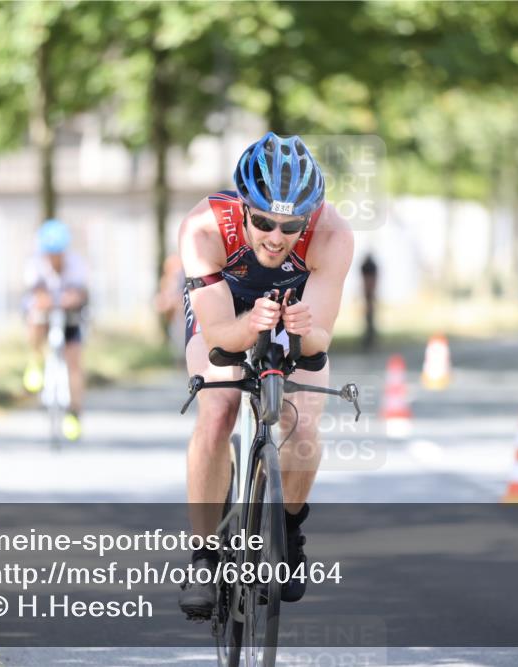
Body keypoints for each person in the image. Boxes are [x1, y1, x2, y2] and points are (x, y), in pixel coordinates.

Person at [177, 133, 353, 618]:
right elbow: (216, 334)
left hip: (295, 313)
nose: (276, 237)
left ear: (310, 216)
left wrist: (304, 330)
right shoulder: (203, 229)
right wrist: (248, 325)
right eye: (262, 222)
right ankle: (205, 557)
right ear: (243, 207)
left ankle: (290, 532)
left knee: (302, 424)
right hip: (226, 314)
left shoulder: (333, 234)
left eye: (291, 225)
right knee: (217, 410)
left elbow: (319, 339)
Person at [22, 219, 89, 441]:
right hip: (45, 316)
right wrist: (48, 301)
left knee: (74, 362)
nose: (53, 258)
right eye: (49, 253)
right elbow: (36, 294)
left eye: (57, 253)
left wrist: (72, 299)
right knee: (35, 318)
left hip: (70, 316)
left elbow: (80, 294)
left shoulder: (76, 264)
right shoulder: (35, 264)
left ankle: (74, 412)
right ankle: (35, 361)